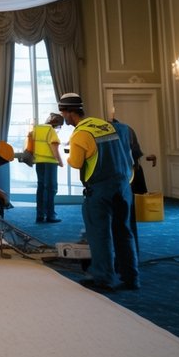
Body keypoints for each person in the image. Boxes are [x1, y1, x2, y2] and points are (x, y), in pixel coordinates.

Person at [58, 92, 139, 292]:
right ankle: (131, 278)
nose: (63, 117)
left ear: (68, 113)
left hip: (100, 189)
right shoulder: (107, 125)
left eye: (63, 112)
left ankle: (104, 278)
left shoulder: (80, 134)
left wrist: (69, 155)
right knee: (124, 232)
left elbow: (76, 163)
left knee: (100, 234)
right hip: (123, 185)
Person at [26, 112, 64, 223]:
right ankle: (50, 215)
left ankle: (40, 215)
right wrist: (60, 161)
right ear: (56, 124)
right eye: (59, 126)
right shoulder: (50, 131)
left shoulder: (37, 129)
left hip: (39, 162)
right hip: (50, 162)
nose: (59, 128)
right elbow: (54, 148)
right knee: (51, 189)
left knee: (41, 188)